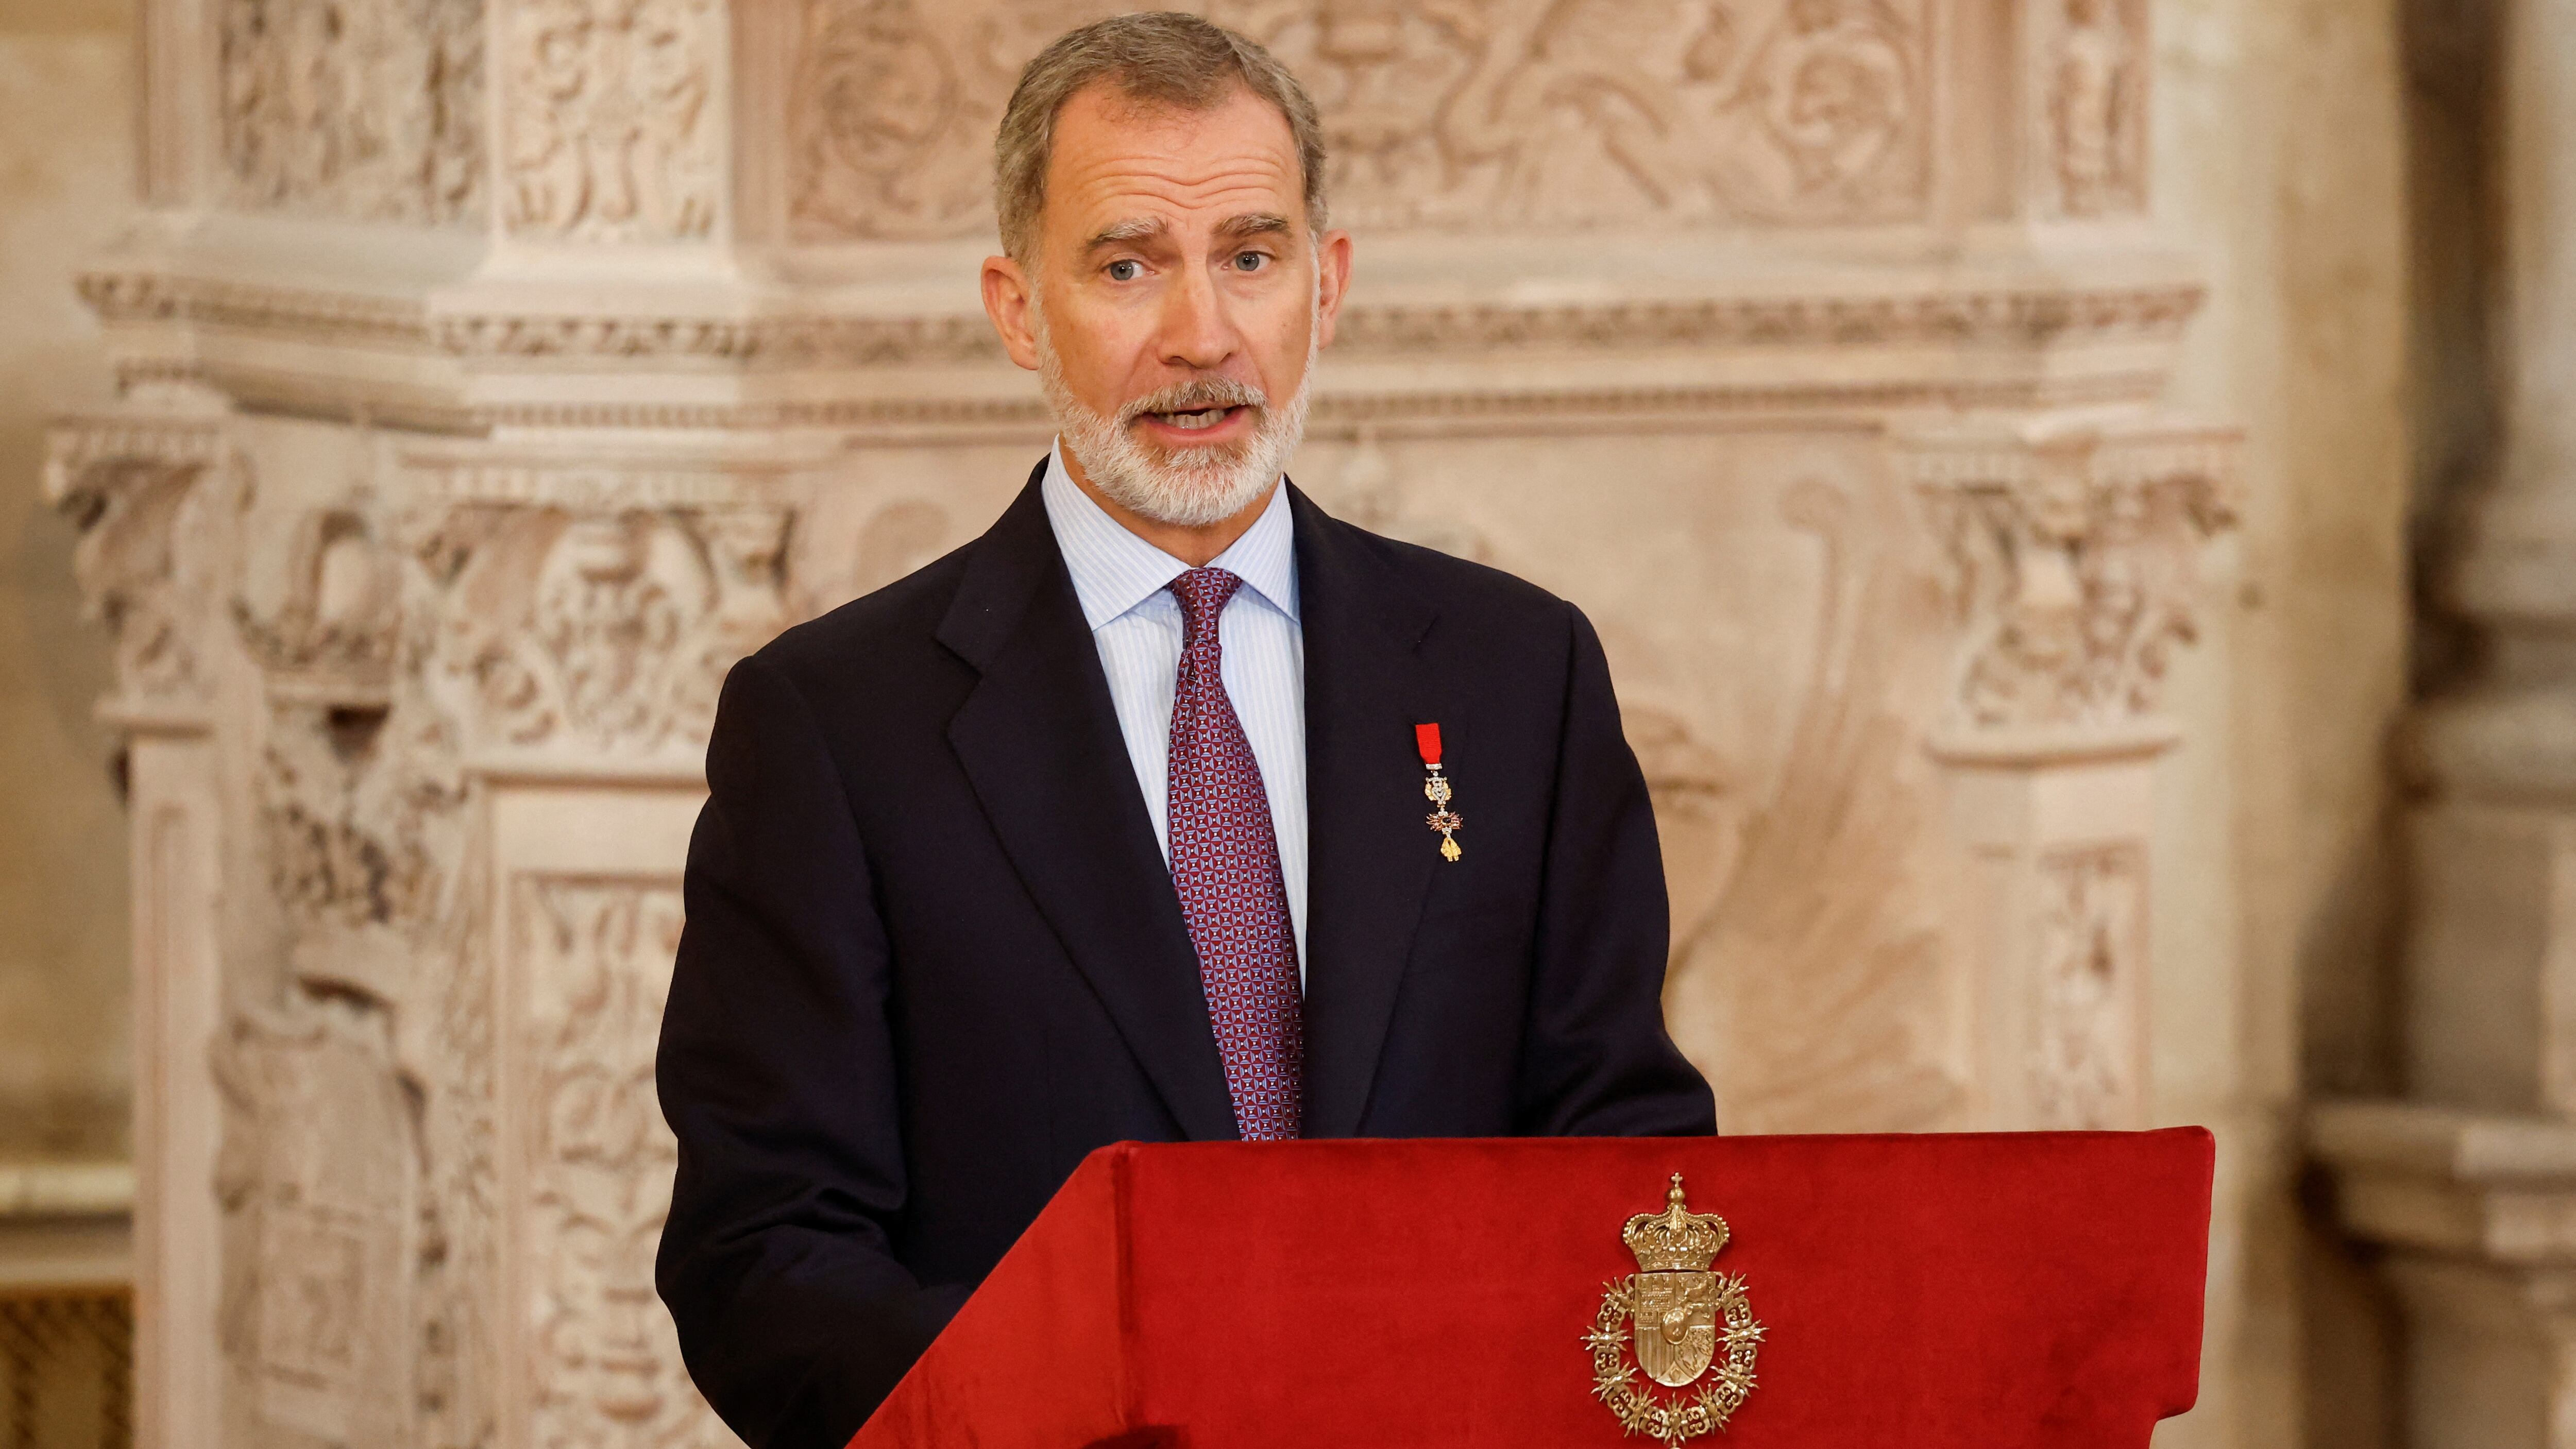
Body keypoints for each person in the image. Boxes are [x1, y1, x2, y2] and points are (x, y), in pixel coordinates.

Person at [653, 13, 1715, 1446]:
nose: (1201, 335)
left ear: (1325, 289)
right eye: (1127, 265)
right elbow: (764, 1257)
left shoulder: (1521, 676)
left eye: (1251, 258)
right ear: (1017, 306)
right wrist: (1098, 1404)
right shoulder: (836, 729)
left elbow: (1626, 1157)